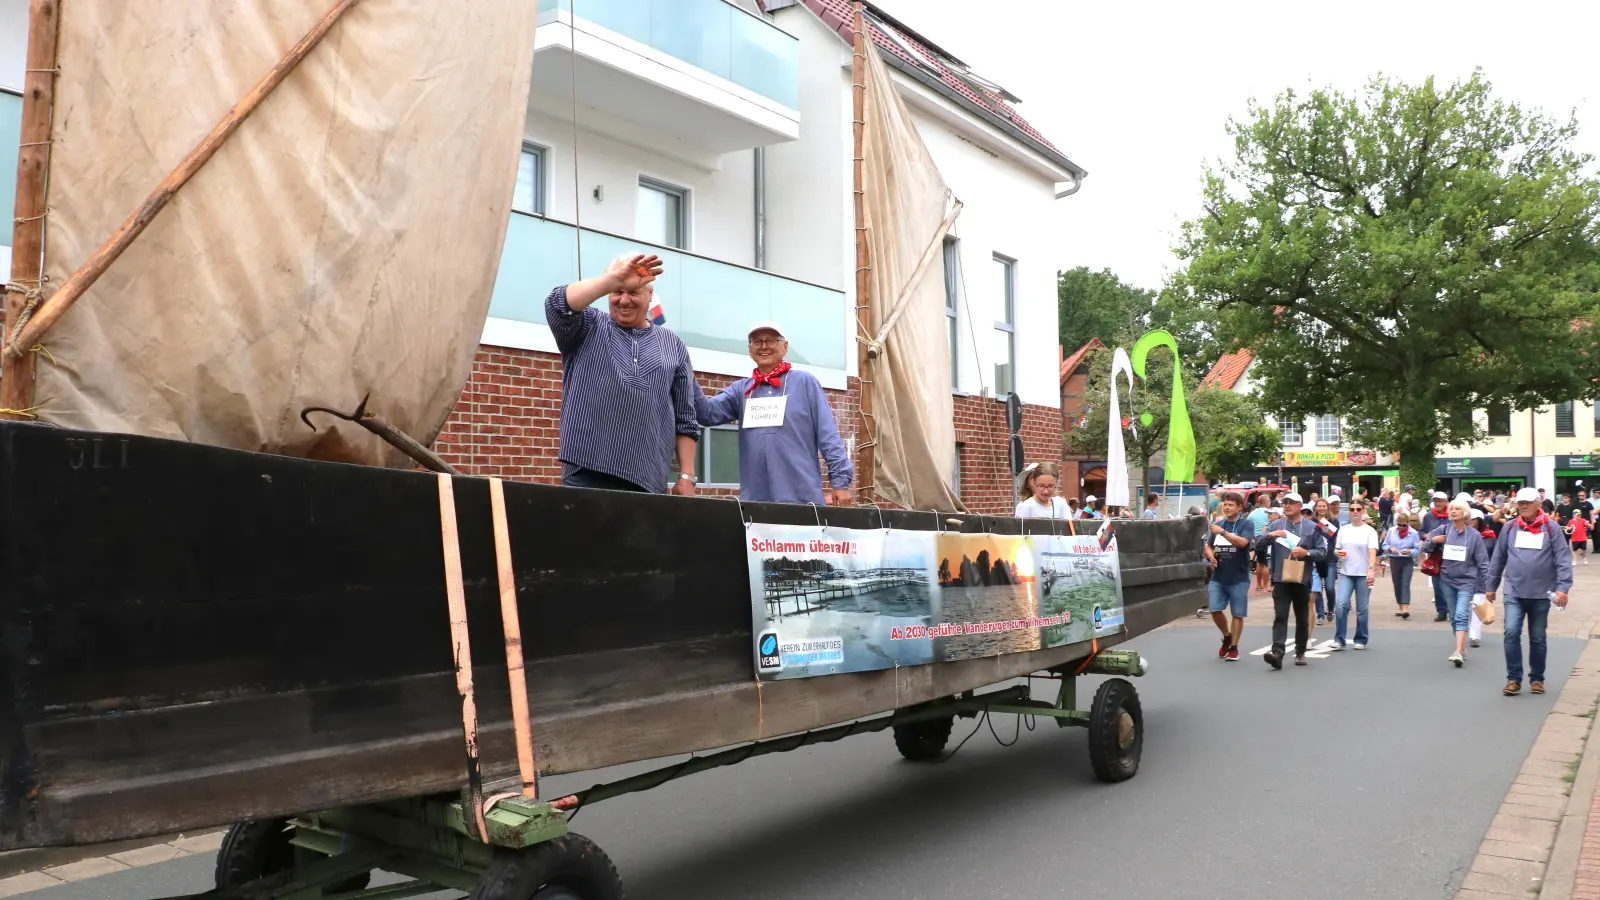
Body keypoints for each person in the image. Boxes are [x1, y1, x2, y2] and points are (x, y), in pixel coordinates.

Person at [548, 253, 699, 495]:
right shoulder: (587, 325)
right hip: (586, 473)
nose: (624, 300)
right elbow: (558, 305)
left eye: (634, 292)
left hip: (649, 481)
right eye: (617, 291)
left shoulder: (674, 345)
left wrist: (687, 477)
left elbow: (686, 420)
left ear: (650, 295)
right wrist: (613, 279)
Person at [695, 322, 852, 505]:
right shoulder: (742, 390)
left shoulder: (804, 382)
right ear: (750, 349)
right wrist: (687, 377)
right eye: (757, 341)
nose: (764, 346)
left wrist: (840, 482)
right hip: (755, 503)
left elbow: (828, 435)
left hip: (803, 500)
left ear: (784, 346)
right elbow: (706, 413)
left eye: (771, 340)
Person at [1487, 487, 1574, 696]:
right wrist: (1491, 586)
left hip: (1541, 593)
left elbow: (1562, 559)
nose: (1524, 506)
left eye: (1528, 502)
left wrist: (1563, 588)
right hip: (1513, 591)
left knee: (1537, 637)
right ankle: (1513, 679)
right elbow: (1498, 558)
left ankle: (1537, 679)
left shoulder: (1551, 528)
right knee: (1511, 633)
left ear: (1538, 504)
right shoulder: (1509, 528)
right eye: (1521, 502)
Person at [1253, 492, 1327, 669]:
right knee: (1280, 616)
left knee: (1302, 617)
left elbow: (1322, 552)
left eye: (1292, 503)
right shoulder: (1276, 525)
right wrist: (1270, 536)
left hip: (1302, 578)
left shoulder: (1312, 527)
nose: (1287, 505)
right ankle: (1277, 653)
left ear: (1300, 506)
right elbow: (1257, 545)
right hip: (1280, 578)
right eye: (1285, 502)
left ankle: (1300, 651)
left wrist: (1306, 553)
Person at [1428, 499, 1490, 668]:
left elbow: (1483, 562)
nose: (1453, 511)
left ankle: (1458, 651)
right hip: (1446, 580)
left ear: (1465, 513)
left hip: (1467, 581)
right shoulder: (1444, 529)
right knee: (1454, 616)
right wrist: (1433, 541)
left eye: (1457, 509)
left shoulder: (1474, 535)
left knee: (1462, 614)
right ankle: (1461, 648)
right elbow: (1425, 546)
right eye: (1452, 509)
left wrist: (1487, 586)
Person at [1207, 491, 1256, 662]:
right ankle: (1227, 636)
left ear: (1240, 507)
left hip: (1239, 576)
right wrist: (1211, 557)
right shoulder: (1219, 524)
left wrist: (1223, 533)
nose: (1226, 508)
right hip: (1218, 576)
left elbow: (1243, 542)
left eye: (1230, 505)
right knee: (1214, 609)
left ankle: (1234, 647)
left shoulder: (1246, 524)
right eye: (1225, 505)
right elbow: (1208, 546)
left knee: (1237, 613)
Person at [1332, 499, 1381, 650]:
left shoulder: (1369, 531)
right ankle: (1339, 639)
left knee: (1362, 609)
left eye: (1358, 509)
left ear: (1363, 510)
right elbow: (1336, 549)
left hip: (1363, 574)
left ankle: (1361, 638)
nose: (1355, 512)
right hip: (1346, 572)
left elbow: (1372, 552)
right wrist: (1338, 553)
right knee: (1340, 605)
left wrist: (1371, 569)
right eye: (1352, 509)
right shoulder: (1343, 530)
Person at [1467, 508, 1497, 649]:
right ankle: (1462, 630)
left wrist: (1492, 576)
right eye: (1468, 520)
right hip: (1465, 574)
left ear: (1479, 521)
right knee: (1464, 605)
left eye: (1473, 520)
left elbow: (1495, 557)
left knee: (1477, 604)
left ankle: (1474, 635)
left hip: (1482, 575)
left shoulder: (1490, 537)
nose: (1470, 523)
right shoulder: (1464, 535)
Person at [1421, 491, 1453, 622]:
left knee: (1450, 583)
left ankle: (1451, 609)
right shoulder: (1428, 516)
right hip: (1435, 553)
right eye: (1435, 501)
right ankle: (1441, 611)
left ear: (1446, 502)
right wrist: (1427, 537)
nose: (1438, 503)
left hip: (1450, 554)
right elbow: (1421, 531)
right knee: (1437, 584)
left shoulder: (1451, 515)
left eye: (1440, 501)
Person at [1384, 512, 1422, 619]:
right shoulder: (1391, 531)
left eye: (1404, 525)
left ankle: (1405, 608)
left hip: (1407, 560)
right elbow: (1384, 544)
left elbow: (1418, 549)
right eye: (1399, 525)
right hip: (1394, 559)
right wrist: (1391, 548)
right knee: (1397, 584)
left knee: (1405, 583)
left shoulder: (1413, 533)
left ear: (1408, 523)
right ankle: (1400, 606)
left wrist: (1410, 551)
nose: (1401, 527)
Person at [1310, 499, 1339, 623]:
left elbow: (1332, 535)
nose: (1321, 508)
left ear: (1327, 507)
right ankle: (1320, 614)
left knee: (1330, 587)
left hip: (1330, 558)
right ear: (1315, 508)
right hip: (1316, 558)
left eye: (1324, 506)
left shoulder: (1334, 520)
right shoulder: (1311, 521)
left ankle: (1331, 609)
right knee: (1317, 589)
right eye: (1319, 506)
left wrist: (1320, 523)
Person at [1247, 494, 1273, 594]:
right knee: (1266, 564)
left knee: (1259, 562)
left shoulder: (1252, 514)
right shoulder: (1269, 513)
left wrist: (1252, 538)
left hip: (1256, 541)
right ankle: (1266, 586)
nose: (1270, 502)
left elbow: (1248, 526)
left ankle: (1258, 584)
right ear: (1266, 502)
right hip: (1266, 539)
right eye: (1269, 501)